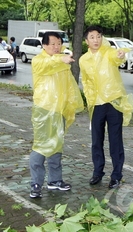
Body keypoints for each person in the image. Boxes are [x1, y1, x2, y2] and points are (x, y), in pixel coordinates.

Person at [29, 32, 84, 198]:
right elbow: (47, 64)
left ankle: (55, 181)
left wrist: (70, 106)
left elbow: (69, 86)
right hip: (44, 109)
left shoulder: (63, 60)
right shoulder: (39, 60)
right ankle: (36, 183)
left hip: (59, 110)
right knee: (41, 146)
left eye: (59, 43)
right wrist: (61, 59)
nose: (56, 47)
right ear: (44, 45)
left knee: (57, 144)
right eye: (52, 44)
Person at [79, 25, 133, 189]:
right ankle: (98, 172)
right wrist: (89, 102)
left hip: (113, 102)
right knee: (96, 140)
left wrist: (120, 54)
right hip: (96, 104)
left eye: (98, 36)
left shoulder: (108, 52)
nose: (96, 40)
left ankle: (116, 175)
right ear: (86, 41)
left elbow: (118, 58)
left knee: (115, 140)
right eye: (92, 37)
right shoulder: (84, 60)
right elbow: (86, 83)